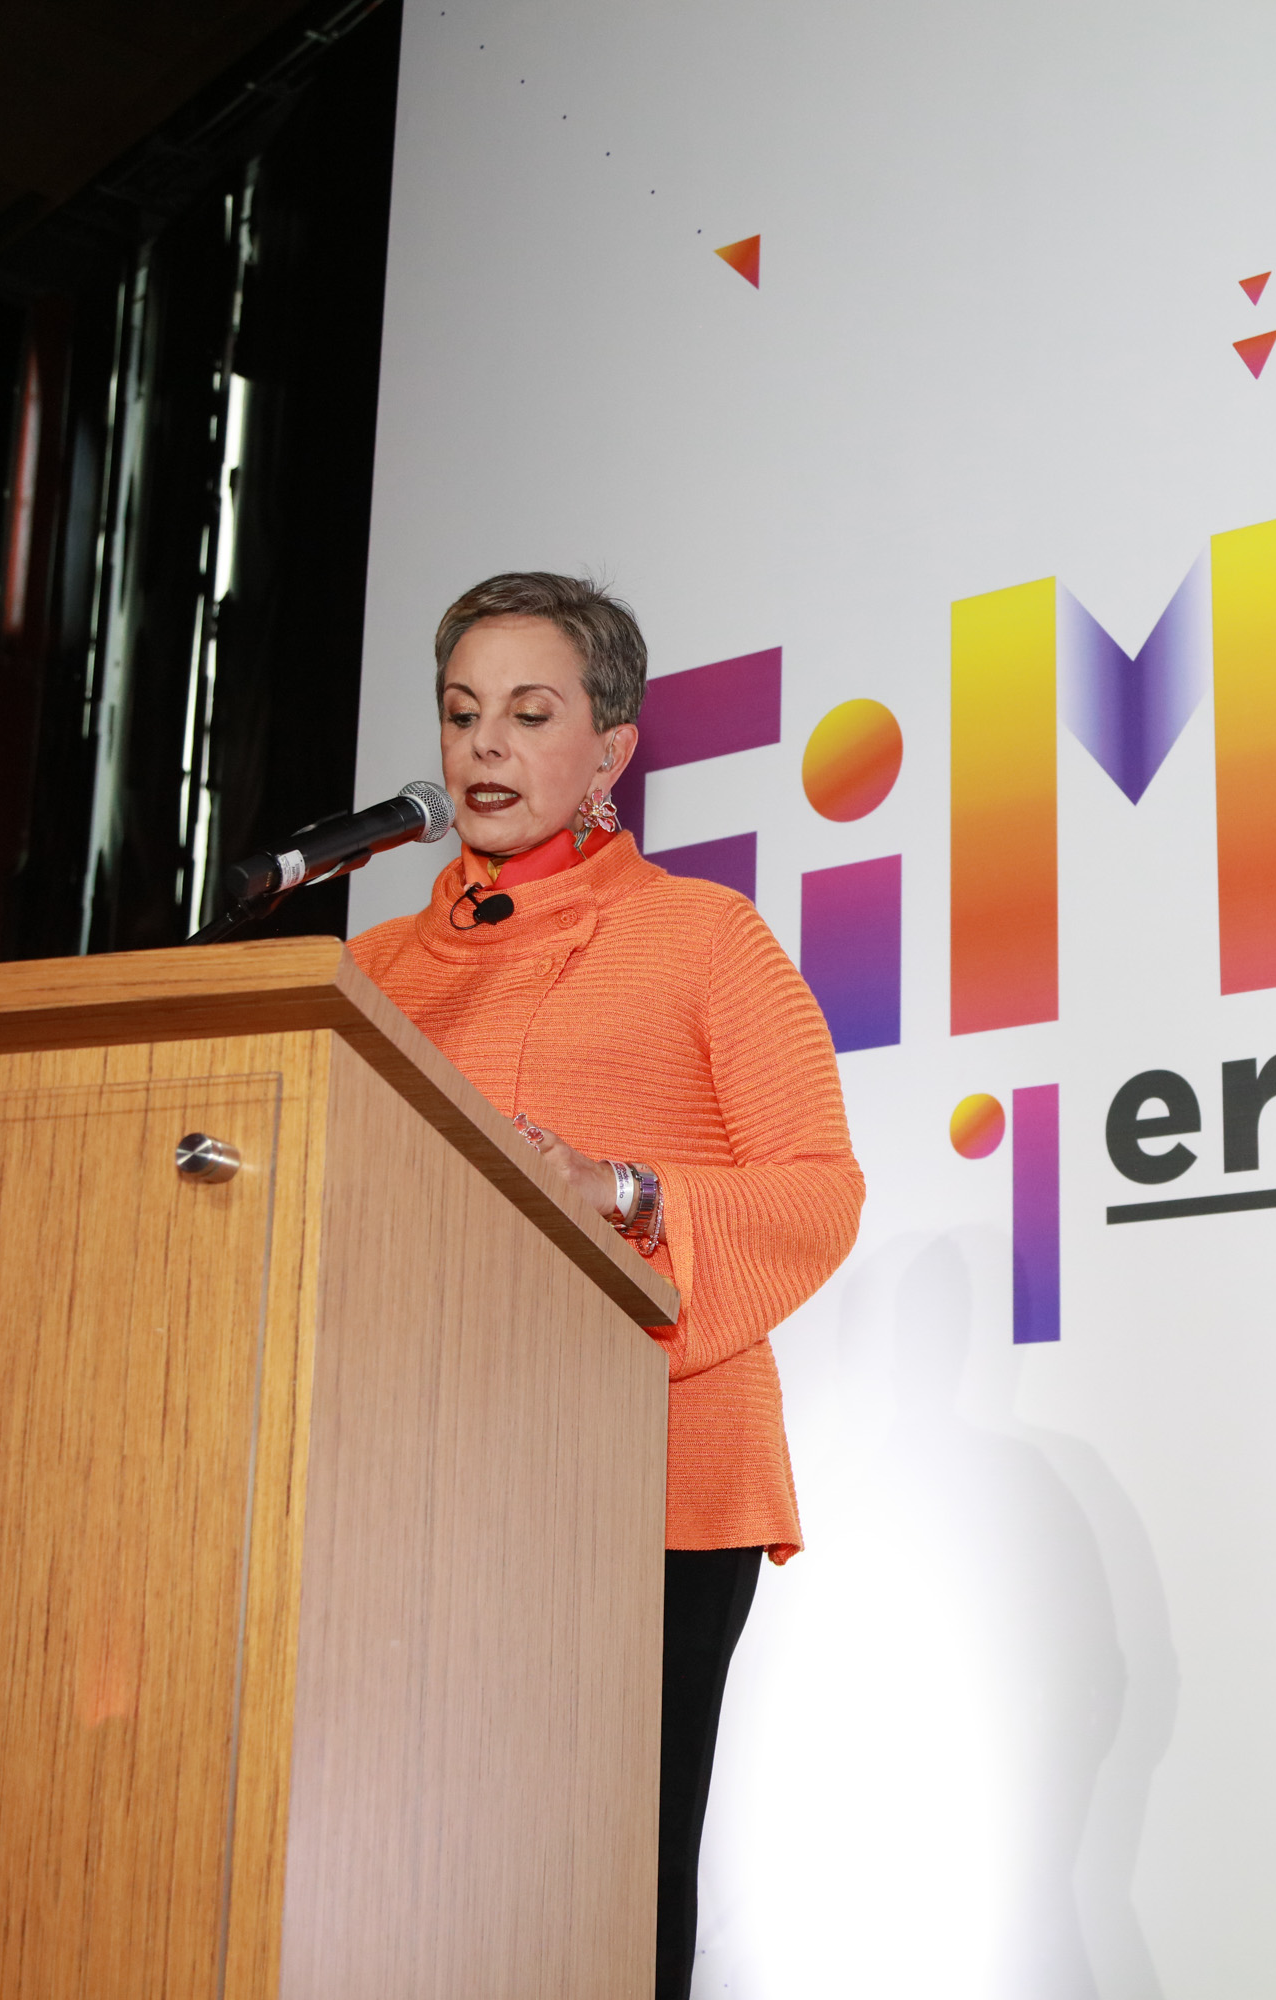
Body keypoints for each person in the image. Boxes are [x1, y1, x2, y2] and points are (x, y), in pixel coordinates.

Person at [348, 571, 863, 1999]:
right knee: (407, 1877)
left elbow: (819, 1190)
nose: (484, 747)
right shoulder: (370, 972)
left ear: (612, 751)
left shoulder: (705, 936)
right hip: (411, 1475)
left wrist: (625, 1193)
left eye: (530, 714)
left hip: (650, 1480)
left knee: (602, 1888)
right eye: (462, 714)